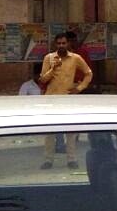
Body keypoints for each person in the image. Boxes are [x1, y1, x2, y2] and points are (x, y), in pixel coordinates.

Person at [39, 32, 92, 169]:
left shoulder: (76, 58)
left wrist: (79, 88)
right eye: (59, 43)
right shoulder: (48, 58)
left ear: (68, 44)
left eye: (64, 43)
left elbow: (88, 73)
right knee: (49, 132)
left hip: (68, 99)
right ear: (55, 44)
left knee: (70, 131)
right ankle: (48, 160)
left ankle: (71, 159)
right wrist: (53, 68)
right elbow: (43, 79)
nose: (61, 45)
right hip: (50, 99)